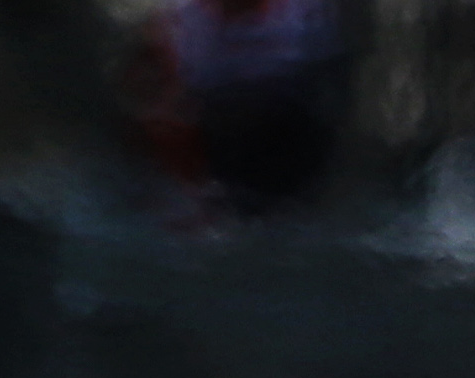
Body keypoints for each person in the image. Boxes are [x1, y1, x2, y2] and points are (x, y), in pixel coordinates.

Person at [138, 0, 349, 219]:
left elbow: (333, 88)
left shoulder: (305, 10)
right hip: (220, 132)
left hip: (289, 123)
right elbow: (165, 106)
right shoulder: (181, 21)